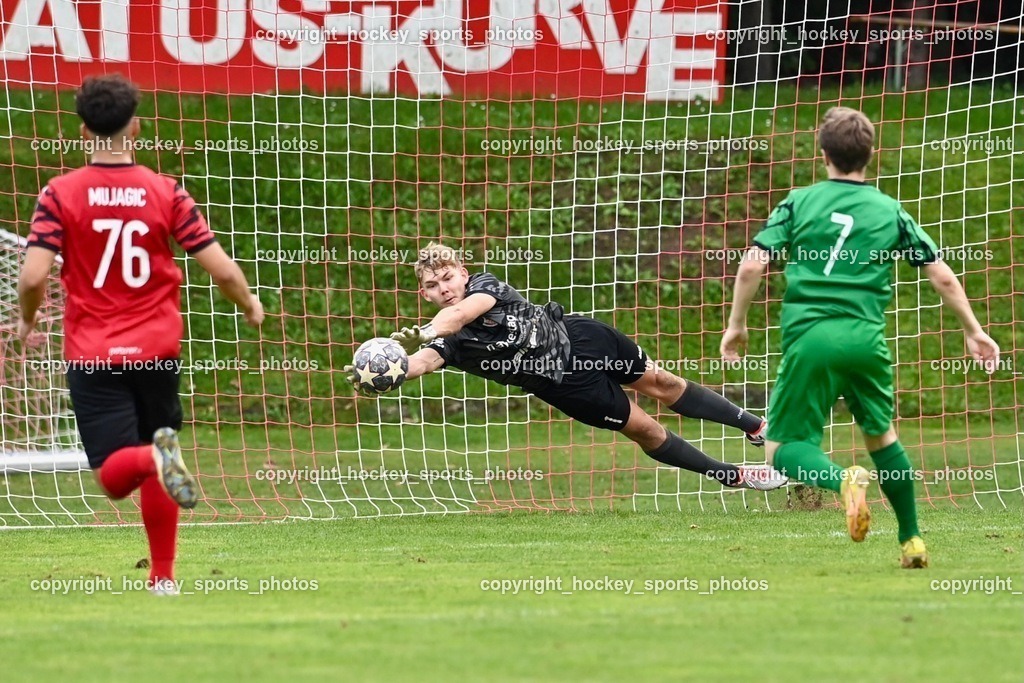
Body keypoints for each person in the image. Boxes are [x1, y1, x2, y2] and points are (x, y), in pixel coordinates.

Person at [720, 106, 1001, 568]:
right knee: (883, 437)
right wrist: (974, 330)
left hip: (811, 339)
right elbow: (941, 276)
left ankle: (844, 481)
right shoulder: (889, 210)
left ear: (823, 152)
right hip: (867, 341)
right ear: (870, 154)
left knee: (782, 449)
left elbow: (752, 263)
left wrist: (737, 325)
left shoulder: (799, 201)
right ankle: (911, 541)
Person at [17, 74, 264, 594]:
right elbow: (219, 268)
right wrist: (249, 302)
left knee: (112, 478)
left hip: (95, 352)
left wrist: (27, 317)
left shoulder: (59, 194)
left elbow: (34, 275)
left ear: (83, 129)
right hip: (157, 350)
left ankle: (155, 467)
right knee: (159, 453)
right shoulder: (165, 191)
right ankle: (163, 579)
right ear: (135, 125)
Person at [349, 242, 786, 492]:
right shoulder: (451, 345)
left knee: (662, 382)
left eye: (447, 278)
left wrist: (425, 331)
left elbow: (460, 316)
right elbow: (423, 361)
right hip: (566, 386)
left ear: (463, 273)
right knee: (647, 430)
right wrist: (382, 372)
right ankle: (732, 475)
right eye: (432, 285)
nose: (443, 288)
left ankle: (756, 425)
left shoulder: (483, 288)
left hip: (581, 337)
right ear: (423, 294)